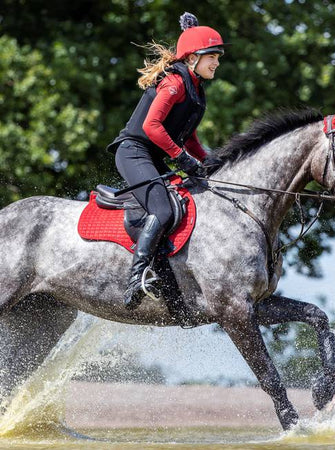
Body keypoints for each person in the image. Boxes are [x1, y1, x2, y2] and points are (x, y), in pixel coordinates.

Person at [107, 12, 226, 310]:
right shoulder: (174, 82)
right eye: (211, 56)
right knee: (162, 209)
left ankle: (172, 290)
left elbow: (191, 139)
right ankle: (137, 278)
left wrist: (210, 163)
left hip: (155, 155)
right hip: (134, 151)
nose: (217, 63)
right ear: (192, 59)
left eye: (217, 57)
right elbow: (151, 127)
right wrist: (182, 159)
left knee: (185, 204)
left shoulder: (196, 89)